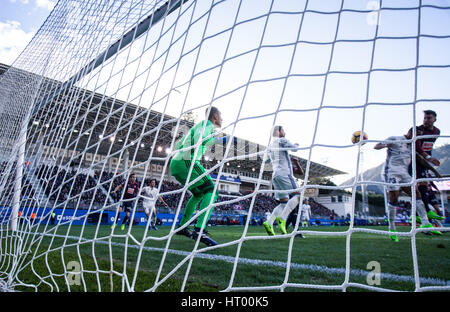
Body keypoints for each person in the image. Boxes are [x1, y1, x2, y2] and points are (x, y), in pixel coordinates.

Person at [169, 106, 230, 246]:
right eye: (220, 115)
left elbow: (179, 144)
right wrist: (219, 140)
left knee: (198, 195)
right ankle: (199, 230)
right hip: (187, 161)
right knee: (212, 191)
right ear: (215, 116)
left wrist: (218, 140)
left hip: (176, 163)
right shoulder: (208, 125)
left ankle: (182, 227)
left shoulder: (198, 125)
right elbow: (199, 139)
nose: (222, 118)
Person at [375, 127, 439, 242]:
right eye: (416, 136)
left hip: (404, 173)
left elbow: (420, 159)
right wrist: (384, 145)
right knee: (394, 198)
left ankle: (425, 223)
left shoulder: (412, 145)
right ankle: (392, 228)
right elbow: (376, 146)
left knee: (416, 193)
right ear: (410, 133)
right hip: (391, 172)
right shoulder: (395, 139)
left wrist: (434, 170)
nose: (416, 139)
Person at [262, 125, 304, 238]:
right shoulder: (282, 140)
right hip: (285, 173)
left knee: (283, 202)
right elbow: (295, 149)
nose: (285, 132)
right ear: (279, 131)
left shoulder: (270, 146)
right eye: (283, 130)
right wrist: (296, 144)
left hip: (275, 175)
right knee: (300, 196)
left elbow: (265, 160)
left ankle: (269, 222)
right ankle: (283, 219)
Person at [409, 110, 442, 220]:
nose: (426, 120)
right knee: (421, 184)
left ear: (434, 119)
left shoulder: (437, 131)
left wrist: (429, 158)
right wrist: (428, 158)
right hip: (414, 160)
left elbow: (428, 146)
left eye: (429, 118)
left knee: (425, 185)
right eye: (425, 118)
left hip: (425, 161)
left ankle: (418, 215)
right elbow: (417, 148)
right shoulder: (418, 130)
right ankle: (425, 212)